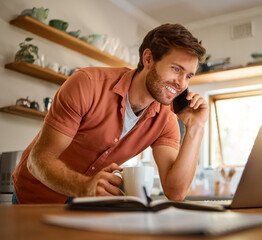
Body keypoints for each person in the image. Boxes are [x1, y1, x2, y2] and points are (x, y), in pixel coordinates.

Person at [11, 23, 207, 204]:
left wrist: (196, 128)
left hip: (88, 202)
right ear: (148, 59)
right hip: (34, 196)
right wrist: (84, 186)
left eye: (188, 76)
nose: (182, 83)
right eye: (176, 69)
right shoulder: (87, 84)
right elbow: (39, 160)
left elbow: (175, 192)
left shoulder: (166, 120)